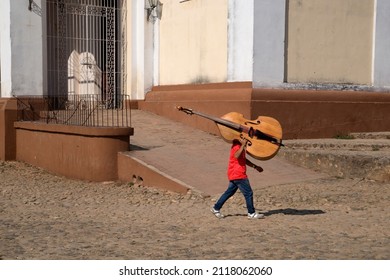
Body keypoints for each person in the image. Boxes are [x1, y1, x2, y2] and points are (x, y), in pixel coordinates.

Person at [211, 138, 265, 219]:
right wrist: (243, 145)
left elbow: (244, 160)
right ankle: (251, 213)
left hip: (234, 174)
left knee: (229, 192)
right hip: (238, 174)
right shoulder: (237, 146)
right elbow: (236, 156)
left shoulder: (240, 147)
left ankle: (216, 208)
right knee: (248, 193)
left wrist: (255, 166)